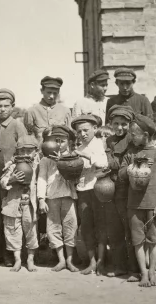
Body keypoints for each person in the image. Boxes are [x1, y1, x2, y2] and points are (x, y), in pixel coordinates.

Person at [119, 115, 156, 287]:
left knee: (153, 240)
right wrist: (132, 167)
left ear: (146, 134)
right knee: (137, 241)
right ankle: (143, 275)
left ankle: (152, 272)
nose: (131, 137)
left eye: (134, 134)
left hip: (153, 205)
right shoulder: (131, 153)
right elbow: (120, 175)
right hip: (134, 206)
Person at [0, 88, 27, 267]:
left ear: (12, 107)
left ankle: (11, 254)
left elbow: (25, 150)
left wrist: (15, 172)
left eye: (6, 106)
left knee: (11, 216)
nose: (2, 109)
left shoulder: (18, 125)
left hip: (13, 179)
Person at [37, 125, 78, 272]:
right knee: (53, 228)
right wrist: (41, 199)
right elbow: (41, 179)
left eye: (62, 140)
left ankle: (70, 260)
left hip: (68, 196)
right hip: (52, 197)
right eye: (56, 140)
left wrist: (63, 160)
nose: (59, 144)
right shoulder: (45, 160)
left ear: (69, 142)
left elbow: (75, 176)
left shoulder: (73, 156)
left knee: (70, 227)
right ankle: (61, 260)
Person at [71, 115, 108, 275]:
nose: (83, 134)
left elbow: (103, 163)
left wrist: (87, 157)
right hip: (83, 190)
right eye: (79, 131)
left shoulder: (99, 144)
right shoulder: (79, 147)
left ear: (95, 128)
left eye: (86, 130)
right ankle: (92, 261)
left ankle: (101, 262)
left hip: (98, 190)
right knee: (86, 226)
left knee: (101, 225)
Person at [105, 105, 138, 280]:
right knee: (115, 229)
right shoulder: (108, 141)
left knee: (131, 229)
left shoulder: (134, 141)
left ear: (130, 124)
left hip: (129, 191)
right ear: (110, 123)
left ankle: (134, 267)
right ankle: (119, 265)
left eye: (124, 124)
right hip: (112, 190)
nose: (119, 127)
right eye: (116, 123)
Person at [1, 135, 40, 272]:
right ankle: (17, 259)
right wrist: (11, 179)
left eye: (29, 151)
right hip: (13, 202)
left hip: (30, 203)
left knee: (30, 230)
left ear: (36, 151)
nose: (25, 154)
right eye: (22, 151)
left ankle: (30, 259)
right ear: (17, 152)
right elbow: (3, 181)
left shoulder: (38, 165)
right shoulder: (12, 165)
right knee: (12, 230)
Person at [25, 76, 72, 144]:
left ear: (58, 92)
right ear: (42, 91)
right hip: (38, 152)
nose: (52, 96)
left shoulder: (65, 111)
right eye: (49, 92)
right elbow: (27, 137)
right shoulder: (31, 111)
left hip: (60, 152)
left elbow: (69, 135)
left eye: (55, 93)